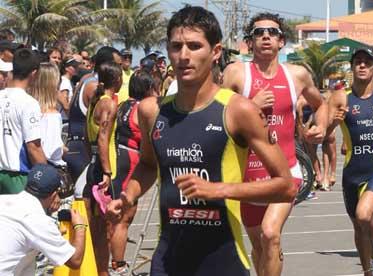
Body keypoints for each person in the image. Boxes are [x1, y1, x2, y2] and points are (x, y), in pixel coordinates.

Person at [107, 6, 296, 276]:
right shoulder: (151, 111)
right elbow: (148, 165)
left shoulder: (239, 111)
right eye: (176, 46)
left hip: (223, 259)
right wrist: (128, 196)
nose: (184, 56)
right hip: (168, 259)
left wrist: (218, 190)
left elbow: (286, 187)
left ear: (215, 51)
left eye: (195, 46)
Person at [222, 12, 328, 276]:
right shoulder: (236, 73)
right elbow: (216, 114)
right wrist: (248, 106)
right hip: (246, 177)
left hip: (286, 172)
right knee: (260, 245)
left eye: (272, 32)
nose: (266, 36)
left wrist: (321, 127)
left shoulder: (297, 75)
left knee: (271, 235)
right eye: (259, 32)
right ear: (249, 42)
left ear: (282, 41)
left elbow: (321, 104)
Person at [328, 48, 373, 276]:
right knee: (359, 227)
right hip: (351, 172)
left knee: (363, 214)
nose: (362, 66)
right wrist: (330, 125)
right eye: (357, 62)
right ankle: (369, 271)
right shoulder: (341, 97)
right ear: (352, 67)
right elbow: (321, 132)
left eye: (366, 63)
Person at [109, 70, 157, 275]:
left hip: (118, 157)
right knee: (124, 218)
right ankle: (118, 264)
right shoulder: (141, 109)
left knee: (116, 215)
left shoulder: (121, 106)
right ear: (147, 88)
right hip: (131, 161)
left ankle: (113, 261)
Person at [0, 164, 86, 275]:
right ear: (54, 195)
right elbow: (75, 261)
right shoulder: (38, 221)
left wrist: (50, 235)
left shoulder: (3, 199)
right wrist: (80, 227)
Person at [85, 61, 122, 276]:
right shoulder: (109, 104)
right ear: (116, 80)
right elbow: (103, 139)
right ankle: (103, 271)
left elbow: (85, 137)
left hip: (93, 165)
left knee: (98, 226)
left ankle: (100, 270)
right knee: (107, 226)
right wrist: (107, 172)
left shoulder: (94, 101)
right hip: (104, 169)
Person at [64, 46, 121, 184]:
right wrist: (106, 170)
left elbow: (71, 108)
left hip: (75, 144)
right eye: (117, 65)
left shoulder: (85, 79)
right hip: (83, 151)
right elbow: (102, 135)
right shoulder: (96, 89)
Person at [0, 48, 47, 194]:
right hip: (17, 176)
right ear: (34, 73)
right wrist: (47, 178)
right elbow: (34, 147)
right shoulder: (28, 103)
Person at [28, 62, 66, 167]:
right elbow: (51, 152)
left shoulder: (28, 109)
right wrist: (62, 149)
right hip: (47, 169)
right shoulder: (52, 116)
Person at [59, 57, 80, 122]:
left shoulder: (68, 82)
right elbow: (65, 105)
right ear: (66, 68)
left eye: (77, 66)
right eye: (74, 66)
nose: (77, 68)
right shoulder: (65, 82)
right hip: (64, 118)